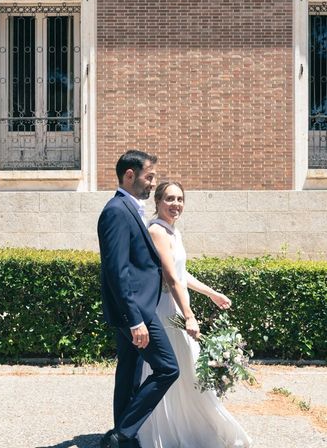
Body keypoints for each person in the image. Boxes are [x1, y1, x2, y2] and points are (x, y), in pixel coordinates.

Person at [137, 181, 252, 448]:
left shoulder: (173, 232)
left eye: (179, 199)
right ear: (157, 202)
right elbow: (170, 277)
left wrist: (211, 293)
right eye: (169, 199)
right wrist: (189, 315)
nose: (175, 204)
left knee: (189, 370)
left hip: (178, 306)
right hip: (166, 311)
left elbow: (182, 273)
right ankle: (166, 432)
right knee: (177, 368)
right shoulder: (157, 231)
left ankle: (195, 428)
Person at [98, 151, 199, 448]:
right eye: (149, 177)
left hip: (139, 309)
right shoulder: (116, 210)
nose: (152, 183)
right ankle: (122, 434)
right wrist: (136, 319)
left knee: (128, 374)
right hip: (138, 311)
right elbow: (117, 271)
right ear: (130, 175)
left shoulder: (130, 209)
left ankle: (122, 438)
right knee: (168, 368)